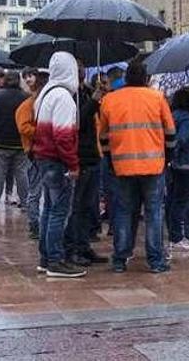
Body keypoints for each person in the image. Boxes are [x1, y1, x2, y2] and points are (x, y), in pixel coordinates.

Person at [100, 61, 176, 273]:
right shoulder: (157, 98)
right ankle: (155, 260)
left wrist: (111, 159)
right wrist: (166, 157)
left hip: (122, 167)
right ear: (146, 78)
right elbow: (170, 133)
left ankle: (120, 258)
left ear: (126, 78)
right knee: (153, 213)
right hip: (154, 166)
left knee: (124, 211)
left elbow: (103, 136)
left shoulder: (109, 100)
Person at [33, 52, 84, 278]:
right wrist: (73, 165)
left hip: (45, 159)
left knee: (49, 211)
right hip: (57, 161)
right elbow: (63, 136)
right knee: (59, 212)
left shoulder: (45, 94)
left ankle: (46, 258)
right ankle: (55, 260)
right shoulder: (63, 96)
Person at [64, 61, 108, 267]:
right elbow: (77, 121)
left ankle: (83, 246)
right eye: (76, 69)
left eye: (81, 69)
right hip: (79, 156)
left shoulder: (87, 92)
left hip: (92, 154)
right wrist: (93, 101)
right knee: (77, 206)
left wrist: (101, 96)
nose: (80, 72)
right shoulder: (67, 95)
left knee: (88, 206)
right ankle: (72, 248)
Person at [0, 71, 29, 213]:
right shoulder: (26, 97)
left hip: (0, 142)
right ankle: (25, 203)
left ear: (5, 81)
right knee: (22, 173)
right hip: (20, 142)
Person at [15, 70, 48, 238]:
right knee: (35, 191)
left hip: (42, 151)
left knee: (39, 190)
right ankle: (34, 224)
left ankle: (36, 224)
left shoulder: (37, 103)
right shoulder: (28, 105)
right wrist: (43, 132)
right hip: (34, 152)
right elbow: (24, 128)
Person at [168, 87, 189, 252]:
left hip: (175, 164)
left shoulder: (173, 115)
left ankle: (175, 235)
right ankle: (176, 237)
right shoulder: (187, 118)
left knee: (174, 199)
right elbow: (182, 138)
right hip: (186, 162)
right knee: (182, 200)